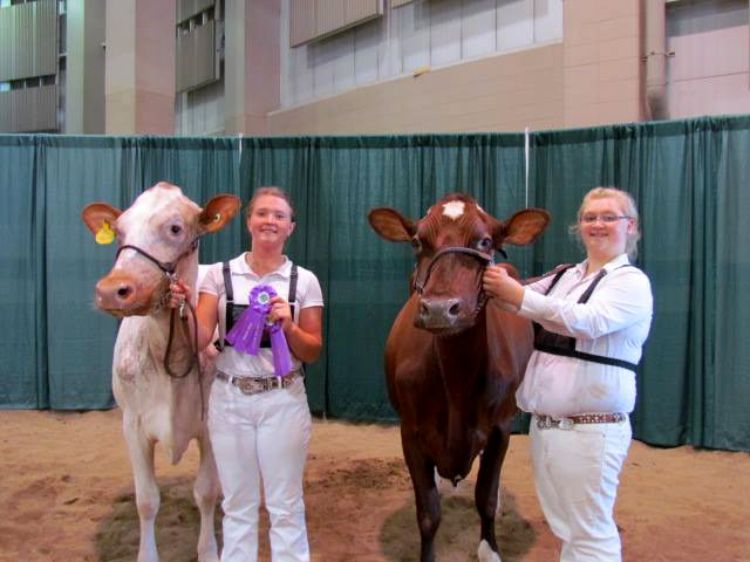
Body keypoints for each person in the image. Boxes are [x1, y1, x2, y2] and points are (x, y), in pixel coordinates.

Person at [482, 187, 653, 562]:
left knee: (590, 532)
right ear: (579, 226)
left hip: (591, 429)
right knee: (566, 529)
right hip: (548, 429)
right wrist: (479, 261)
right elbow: (512, 299)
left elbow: (587, 321)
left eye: (609, 217)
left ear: (631, 226)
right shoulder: (566, 276)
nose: (598, 224)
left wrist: (516, 294)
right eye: (590, 217)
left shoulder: (629, 281)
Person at [170, 186, 324, 562]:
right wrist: (182, 309)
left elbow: (312, 350)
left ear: (291, 227)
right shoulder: (220, 276)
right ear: (249, 222)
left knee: (285, 504)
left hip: (283, 400)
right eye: (262, 213)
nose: (270, 220)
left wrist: (288, 326)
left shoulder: (304, 281)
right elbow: (200, 338)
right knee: (237, 505)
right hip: (230, 400)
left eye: (279, 216)